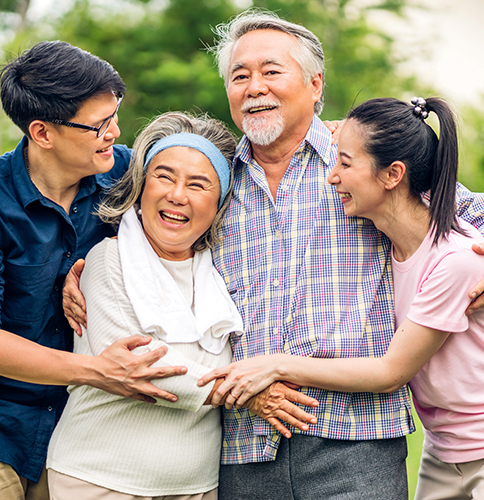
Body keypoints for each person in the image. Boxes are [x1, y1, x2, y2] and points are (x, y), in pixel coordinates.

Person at [63, 10, 484, 500]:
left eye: (271, 71)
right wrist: (77, 269)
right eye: (239, 76)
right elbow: (147, 231)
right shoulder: (215, 184)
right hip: (244, 445)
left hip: (355, 440)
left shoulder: (354, 161)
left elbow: (464, 205)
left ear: (314, 84)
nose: (254, 86)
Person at [205, 96, 484, 499]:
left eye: (344, 164)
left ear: (393, 175)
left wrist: (276, 366)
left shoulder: (458, 260)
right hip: (447, 447)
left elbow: (390, 372)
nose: (331, 177)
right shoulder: (387, 243)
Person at [0, 41, 190, 500]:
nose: (114, 133)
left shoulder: (122, 174)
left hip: (70, 422)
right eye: (98, 125)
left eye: (115, 116)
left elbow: (207, 167)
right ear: (42, 132)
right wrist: (99, 370)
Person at [46, 111, 318, 500]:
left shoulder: (225, 270)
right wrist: (248, 392)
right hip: (100, 478)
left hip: (196, 486)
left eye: (198, 184)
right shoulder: (109, 260)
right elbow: (142, 367)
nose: (177, 195)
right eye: (165, 177)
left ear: (220, 202)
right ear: (141, 185)